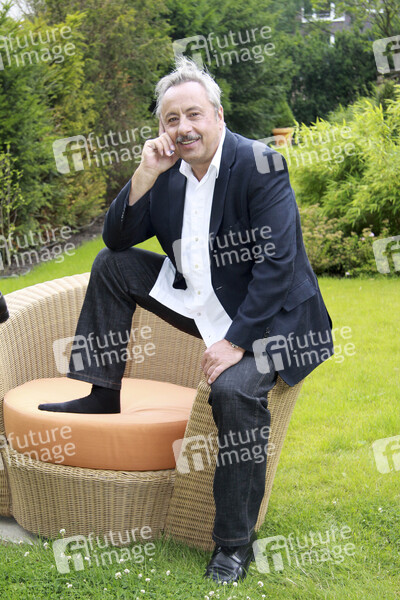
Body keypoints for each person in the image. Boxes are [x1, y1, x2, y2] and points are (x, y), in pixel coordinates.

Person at [39, 57, 333, 583]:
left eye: (193, 114)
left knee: (233, 392)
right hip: (200, 300)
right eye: (170, 119)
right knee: (112, 265)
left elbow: (278, 264)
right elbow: (116, 239)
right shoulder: (167, 173)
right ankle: (102, 392)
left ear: (218, 115)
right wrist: (145, 174)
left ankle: (234, 545)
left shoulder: (260, 164)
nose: (183, 128)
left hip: (273, 321)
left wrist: (235, 342)